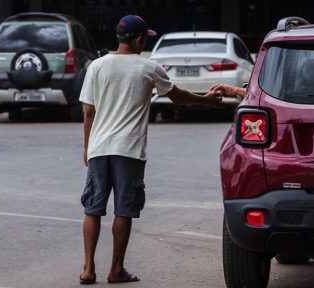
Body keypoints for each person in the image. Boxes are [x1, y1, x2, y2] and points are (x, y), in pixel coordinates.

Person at [78, 14, 231, 285]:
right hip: (129, 150)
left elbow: (89, 111)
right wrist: (206, 100)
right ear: (138, 40)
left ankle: (88, 270)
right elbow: (178, 97)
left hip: (99, 149)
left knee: (93, 207)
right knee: (123, 210)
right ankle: (116, 270)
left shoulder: (97, 66)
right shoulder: (148, 68)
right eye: (144, 39)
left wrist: (87, 147)